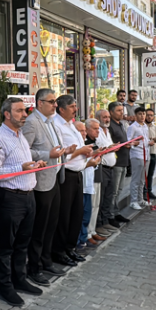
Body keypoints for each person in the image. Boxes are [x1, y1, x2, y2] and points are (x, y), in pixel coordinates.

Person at [0, 98, 46, 307]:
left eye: (25, 111)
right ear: (7, 114)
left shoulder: (20, 136)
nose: (24, 114)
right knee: (6, 245)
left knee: (22, 243)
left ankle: (19, 279)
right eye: (19, 111)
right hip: (9, 197)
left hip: (28, 196)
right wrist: (22, 168)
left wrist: (34, 165)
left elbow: (22, 164)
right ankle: (5, 286)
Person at [21, 89, 72, 282]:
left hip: (55, 177)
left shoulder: (51, 122)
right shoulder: (32, 122)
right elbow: (25, 151)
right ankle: (34, 268)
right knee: (40, 227)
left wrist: (64, 151)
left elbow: (53, 148)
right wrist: (47, 155)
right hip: (41, 181)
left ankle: (46, 261)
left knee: (51, 224)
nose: (55, 105)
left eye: (55, 102)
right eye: (51, 102)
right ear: (39, 103)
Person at [53, 95, 93, 264]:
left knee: (76, 214)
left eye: (75, 106)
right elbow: (62, 155)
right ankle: (60, 251)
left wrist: (87, 151)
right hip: (65, 175)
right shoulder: (56, 125)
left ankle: (70, 248)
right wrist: (81, 151)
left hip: (78, 173)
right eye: (71, 107)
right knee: (65, 216)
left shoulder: (71, 125)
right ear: (61, 109)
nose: (75, 109)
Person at [77, 119, 103, 249]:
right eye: (81, 131)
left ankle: (87, 235)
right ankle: (81, 239)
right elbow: (76, 164)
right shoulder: (79, 146)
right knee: (82, 213)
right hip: (82, 184)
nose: (84, 133)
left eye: (83, 131)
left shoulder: (91, 143)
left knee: (90, 210)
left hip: (90, 183)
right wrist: (91, 161)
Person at [93, 110, 117, 238]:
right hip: (102, 168)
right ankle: (99, 224)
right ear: (97, 118)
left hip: (111, 168)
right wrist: (111, 148)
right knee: (101, 198)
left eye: (108, 117)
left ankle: (106, 221)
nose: (107, 119)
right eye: (104, 117)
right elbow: (98, 148)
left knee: (109, 195)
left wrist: (113, 147)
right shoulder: (98, 132)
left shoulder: (107, 131)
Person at [126, 109, 149, 211]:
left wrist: (150, 142)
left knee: (142, 179)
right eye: (140, 114)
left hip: (146, 155)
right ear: (135, 115)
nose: (142, 116)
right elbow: (128, 142)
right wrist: (134, 143)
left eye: (143, 114)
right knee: (136, 179)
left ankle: (140, 199)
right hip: (137, 155)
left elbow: (146, 140)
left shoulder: (145, 126)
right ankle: (133, 201)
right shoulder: (133, 127)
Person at [143, 109, 156, 201]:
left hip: (153, 152)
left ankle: (149, 190)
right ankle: (143, 192)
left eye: (151, 115)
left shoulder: (154, 127)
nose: (149, 117)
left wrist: (154, 139)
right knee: (144, 174)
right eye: (148, 115)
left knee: (151, 173)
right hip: (144, 154)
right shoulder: (142, 126)